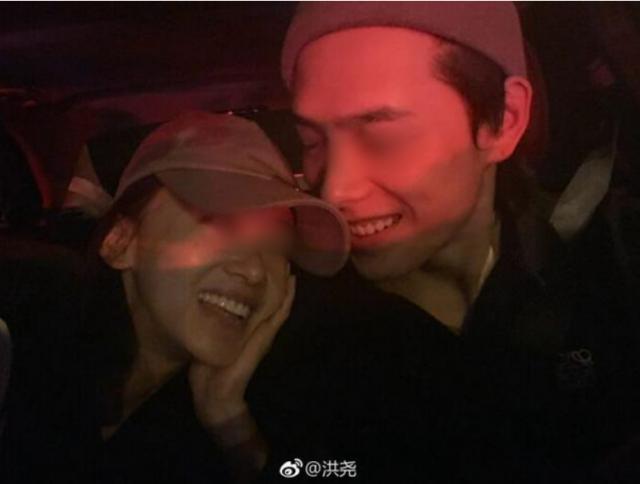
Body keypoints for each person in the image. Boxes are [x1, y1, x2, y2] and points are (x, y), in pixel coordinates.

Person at [249, 2, 640, 483]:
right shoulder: (291, 338)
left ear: (504, 120)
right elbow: (309, 469)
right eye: (312, 142)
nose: (333, 191)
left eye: (383, 135)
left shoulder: (608, 264)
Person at [0, 111, 349, 483]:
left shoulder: (284, 405)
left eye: (278, 246)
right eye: (223, 222)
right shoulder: (20, 349)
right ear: (120, 242)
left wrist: (230, 422)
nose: (255, 271)